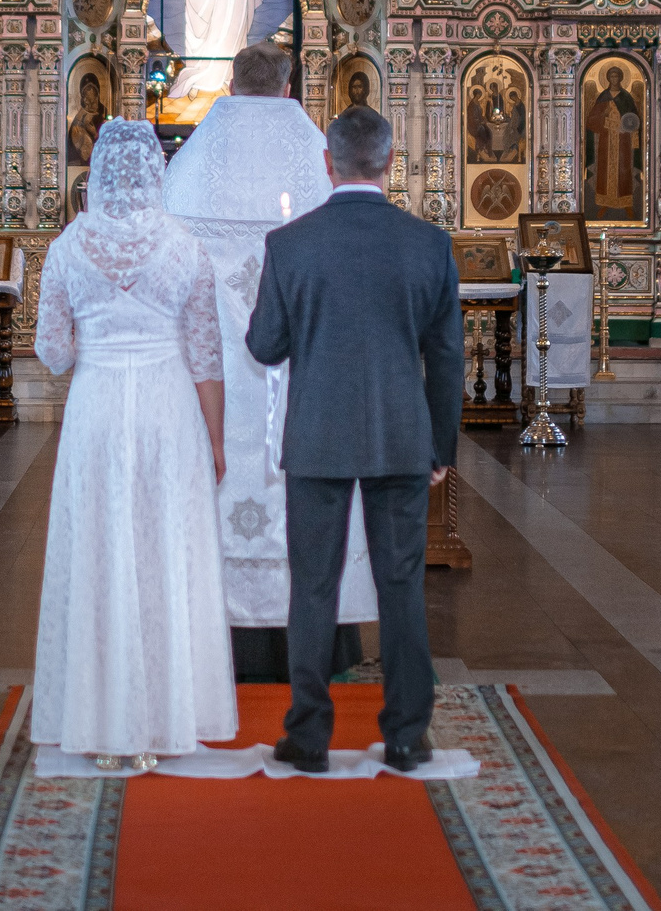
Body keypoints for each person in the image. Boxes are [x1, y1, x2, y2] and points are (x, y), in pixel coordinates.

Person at [245, 105, 462, 774]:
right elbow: (448, 356)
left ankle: (308, 736)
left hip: (317, 434)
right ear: (391, 161)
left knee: (313, 584)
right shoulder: (429, 244)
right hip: (403, 434)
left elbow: (263, 343)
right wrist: (441, 447)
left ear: (327, 160)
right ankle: (405, 734)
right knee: (401, 585)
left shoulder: (291, 243)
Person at [159, 41, 380, 684]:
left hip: (215, 381)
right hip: (304, 379)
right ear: (289, 84)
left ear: (232, 82)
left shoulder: (191, 164)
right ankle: (319, 647)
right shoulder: (317, 163)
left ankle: (216, 645)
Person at [30, 120, 239, 763]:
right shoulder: (185, 249)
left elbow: (53, 353)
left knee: (99, 548)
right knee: (163, 551)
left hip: (96, 411)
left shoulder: (66, 248)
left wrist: (96, 337)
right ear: (154, 174)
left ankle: (100, 716)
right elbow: (206, 358)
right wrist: (217, 442)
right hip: (167, 410)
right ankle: (165, 716)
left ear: (99, 176)